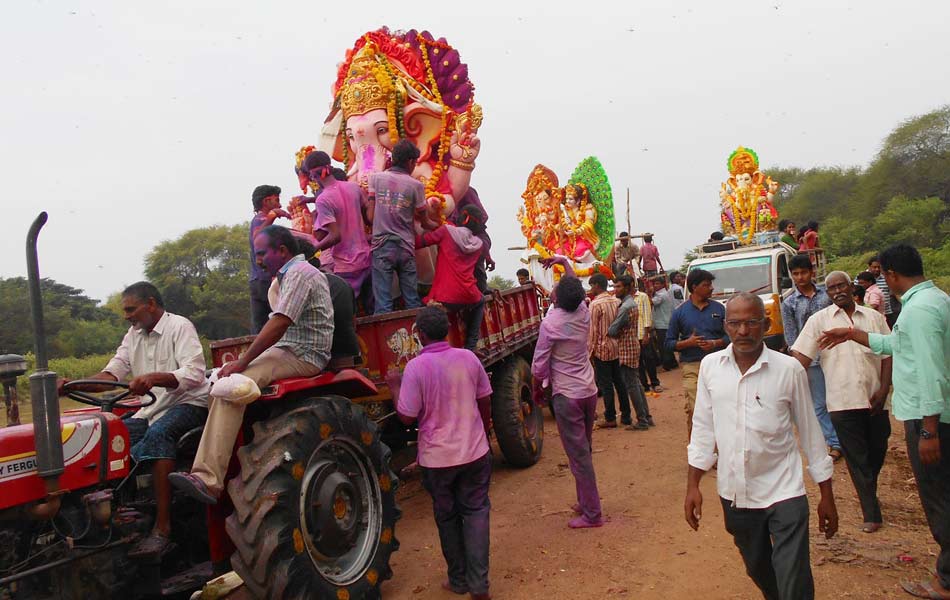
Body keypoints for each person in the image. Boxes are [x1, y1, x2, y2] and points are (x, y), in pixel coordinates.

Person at [685, 293, 838, 600]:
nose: (744, 331)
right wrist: (693, 486)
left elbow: (810, 432)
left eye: (752, 322)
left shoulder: (789, 369)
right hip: (736, 492)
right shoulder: (711, 367)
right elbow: (702, 429)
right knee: (758, 567)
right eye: (736, 323)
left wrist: (826, 495)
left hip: (785, 491)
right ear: (726, 326)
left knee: (792, 573)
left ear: (766, 324)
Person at [818, 245, 950, 599]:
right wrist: (850, 334)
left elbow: (932, 373)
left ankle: (945, 581)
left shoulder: (919, 311)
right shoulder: (934, 300)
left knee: (939, 499)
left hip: (930, 419)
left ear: (889, 275)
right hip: (932, 416)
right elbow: (895, 344)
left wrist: (929, 430)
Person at [170, 225, 333, 503]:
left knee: (231, 386)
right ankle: (217, 457)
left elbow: (279, 323)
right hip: (289, 350)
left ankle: (209, 480)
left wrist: (243, 361)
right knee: (215, 379)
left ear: (282, 251)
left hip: (304, 354)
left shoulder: (300, 274)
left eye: (261, 253)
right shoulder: (284, 278)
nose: (258, 260)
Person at [58, 282, 209, 557]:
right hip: (150, 410)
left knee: (159, 434)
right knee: (109, 437)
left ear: (150, 304)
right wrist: (72, 386)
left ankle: (163, 529)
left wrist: (154, 378)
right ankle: (110, 516)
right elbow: (111, 375)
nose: (127, 315)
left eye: (130, 309)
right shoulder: (133, 335)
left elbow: (195, 373)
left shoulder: (179, 327)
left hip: (187, 403)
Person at [386, 307, 493, 599]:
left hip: (437, 460)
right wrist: (483, 432)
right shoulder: (468, 358)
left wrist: (395, 386)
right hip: (474, 452)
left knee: (447, 518)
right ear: (447, 330)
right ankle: (480, 585)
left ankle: (458, 581)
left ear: (419, 334)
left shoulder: (415, 368)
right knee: (476, 512)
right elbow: (485, 399)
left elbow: (406, 417)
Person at [790, 271, 892, 534]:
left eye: (841, 286)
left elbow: (888, 354)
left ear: (851, 286)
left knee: (876, 452)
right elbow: (800, 357)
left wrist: (883, 389)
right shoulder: (818, 322)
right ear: (828, 292)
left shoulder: (873, 317)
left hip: (875, 399)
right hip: (842, 402)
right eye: (832, 288)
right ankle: (871, 512)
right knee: (857, 459)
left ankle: (870, 492)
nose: (837, 291)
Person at [532, 256, 604, 528]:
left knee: (579, 456)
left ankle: (593, 514)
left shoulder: (551, 324)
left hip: (567, 396)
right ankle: (585, 502)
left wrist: (539, 390)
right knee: (583, 449)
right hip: (587, 390)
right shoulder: (582, 310)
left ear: (556, 299)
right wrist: (563, 261)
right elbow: (574, 284)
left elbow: (539, 365)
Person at [781, 253, 842, 460]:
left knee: (839, 397)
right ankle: (834, 443)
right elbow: (791, 337)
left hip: (836, 354)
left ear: (812, 272)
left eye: (803, 272)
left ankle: (847, 438)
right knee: (819, 403)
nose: (800, 277)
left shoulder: (828, 296)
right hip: (812, 360)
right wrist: (799, 362)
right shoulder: (789, 303)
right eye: (795, 274)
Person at [367, 139, 434, 313]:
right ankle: (417, 336)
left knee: (383, 302)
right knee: (412, 300)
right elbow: (425, 221)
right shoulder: (416, 186)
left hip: (381, 246)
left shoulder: (376, 178)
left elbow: (370, 216)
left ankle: (384, 338)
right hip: (405, 247)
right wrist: (440, 226)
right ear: (411, 162)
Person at [304, 151, 373, 313]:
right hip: (367, 259)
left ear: (313, 175)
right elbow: (369, 218)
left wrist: (313, 250)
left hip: (345, 266)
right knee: (372, 312)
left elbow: (335, 235)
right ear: (329, 167)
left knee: (347, 314)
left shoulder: (324, 199)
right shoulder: (354, 188)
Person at [665, 268, 729, 439]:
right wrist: (688, 343)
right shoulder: (679, 312)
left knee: (719, 409)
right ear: (694, 287)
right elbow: (668, 343)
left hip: (719, 366)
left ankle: (719, 451)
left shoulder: (719, 309)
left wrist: (715, 343)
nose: (711, 288)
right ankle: (697, 454)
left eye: (710, 285)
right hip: (692, 367)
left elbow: (730, 337)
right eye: (706, 285)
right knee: (696, 410)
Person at [417, 204, 488, 352]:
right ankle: (471, 345)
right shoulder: (479, 244)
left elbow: (421, 242)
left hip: (443, 296)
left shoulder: (446, 231)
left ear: (462, 218)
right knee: (481, 301)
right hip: (468, 295)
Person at [607, 274, 653, 430]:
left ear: (627, 287)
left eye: (618, 286)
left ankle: (642, 420)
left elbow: (612, 330)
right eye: (615, 286)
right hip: (632, 345)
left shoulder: (625, 306)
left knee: (632, 385)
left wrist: (612, 328)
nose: (615, 289)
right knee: (637, 383)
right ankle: (646, 417)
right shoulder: (631, 304)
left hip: (626, 347)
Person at [587, 273, 631, 428]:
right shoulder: (617, 301)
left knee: (606, 386)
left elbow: (593, 331)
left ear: (597, 285)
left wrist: (590, 352)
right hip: (617, 347)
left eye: (592, 285)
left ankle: (610, 417)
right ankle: (626, 416)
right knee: (620, 383)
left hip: (602, 349)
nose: (591, 289)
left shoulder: (595, 305)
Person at [248, 184, 290, 333]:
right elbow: (257, 236)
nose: (280, 204)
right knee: (277, 319)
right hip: (263, 279)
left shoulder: (260, 220)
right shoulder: (260, 219)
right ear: (266, 201)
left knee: (262, 323)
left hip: (258, 279)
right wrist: (273, 215)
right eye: (276, 200)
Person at [635, 279, 662, 394]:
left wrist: (646, 334)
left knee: (649, 359)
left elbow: (647, 315)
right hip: (633, 337)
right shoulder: (623, 299)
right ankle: (644, 385)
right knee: (638, 362)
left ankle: (655, 383)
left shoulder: (642, 296)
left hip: (643, 334)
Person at [651, 276, 678, 370]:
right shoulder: (664, 293)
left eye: (657, 283)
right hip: (665, 322)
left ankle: (667, 364)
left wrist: (647, 292)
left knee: (663, 345)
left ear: (662, 284)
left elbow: (651, 302)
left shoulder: (661, 295)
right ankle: (673, 362)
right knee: (665, 344)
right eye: (654, 284)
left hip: (662, 323)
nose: (655, 286)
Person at [868, 255, 898, 328]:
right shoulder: (862, 278)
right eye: (874, 267)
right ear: (869, 267)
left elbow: (892, 291)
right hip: (869, 312)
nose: (877, 269)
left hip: (887, 312)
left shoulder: (886, 277)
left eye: (879, 267)